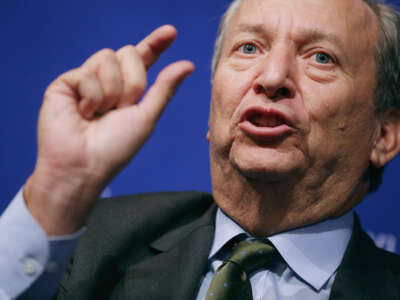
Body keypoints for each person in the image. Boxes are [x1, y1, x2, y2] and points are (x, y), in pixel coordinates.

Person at [1, 0, 400, 299]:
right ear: (213, 107)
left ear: (383, 135)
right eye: (249, 48)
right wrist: (59, 188)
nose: (273, 76)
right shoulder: (86, 242)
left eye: (321, 57)